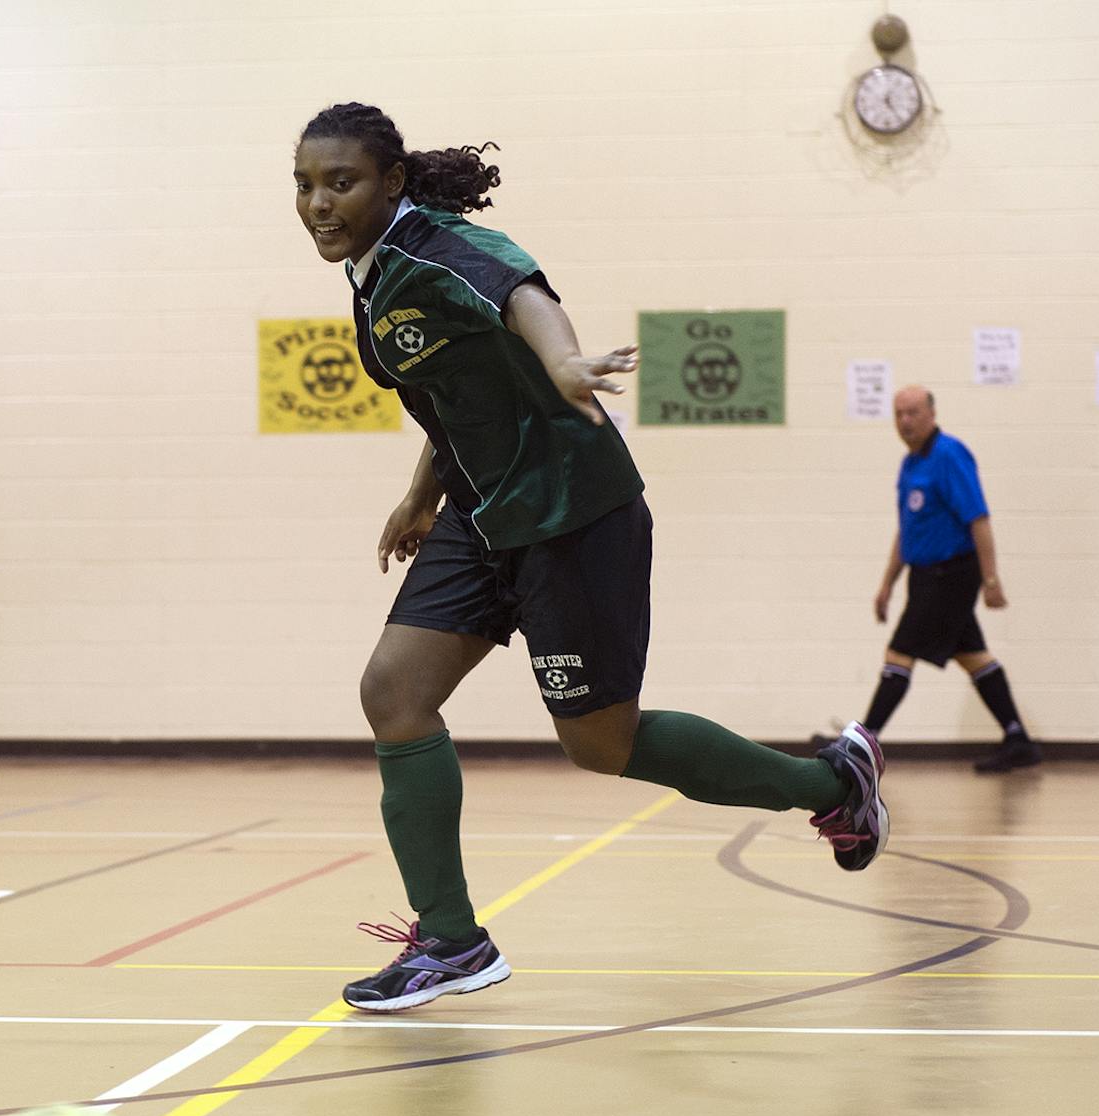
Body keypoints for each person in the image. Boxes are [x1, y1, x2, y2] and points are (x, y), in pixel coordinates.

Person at [292, 103, 891, 1012]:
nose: (319, 202)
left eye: (342, 182)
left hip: (573, 510)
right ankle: (452, 940)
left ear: (393, 184)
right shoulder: (373, 276)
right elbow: (452, 392)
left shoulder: (437, 248)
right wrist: (421, 493)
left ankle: (830, 782)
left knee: (601, 746)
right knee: (394, 693)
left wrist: (565, 361)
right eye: (304, 185)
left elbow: (519, 294)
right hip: (481, 512)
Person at [817, 387, 1040, 773]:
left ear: (932, 413)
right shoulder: (909, 465)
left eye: (913, 412)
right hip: (923, 577)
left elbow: (979, 519)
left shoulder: (950, 455)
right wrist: (887, 584)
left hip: (952, 573)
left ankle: (859, 749)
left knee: (899, 654)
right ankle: (1017, 737)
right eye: (898, 414)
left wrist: (990, 579)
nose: (905, 421)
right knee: (972, 656)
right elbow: (907, 531)